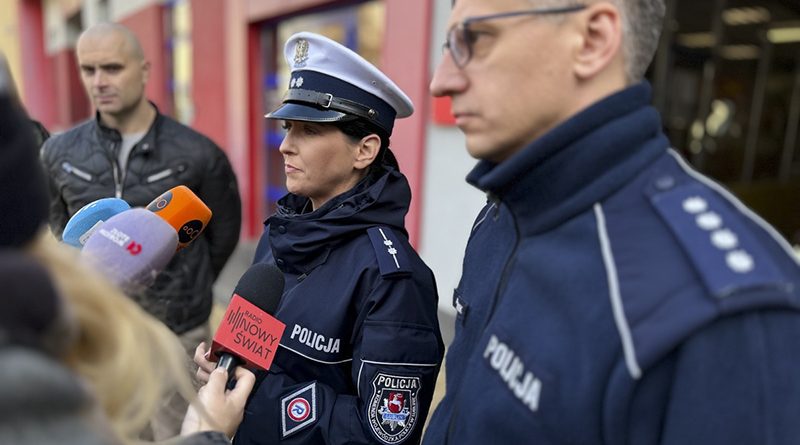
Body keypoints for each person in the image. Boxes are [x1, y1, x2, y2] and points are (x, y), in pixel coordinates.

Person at [423, 0, 800, 444]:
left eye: (475, 39)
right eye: (449, 45)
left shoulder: (722, 311)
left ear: (593, 40)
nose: (440, 81)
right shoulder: (504, 213)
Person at [193, 32, 444, 445]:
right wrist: (224, 366)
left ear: (364, 150)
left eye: (308, 131)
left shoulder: (394, 281)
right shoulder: (280, 234)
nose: (285, 146)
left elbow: (384, 435)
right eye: (288, 127)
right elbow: (248, 347)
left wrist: (252, 390)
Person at [0, 81, 253, 445]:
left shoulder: (198, 151)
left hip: (178, 320)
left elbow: (223, 232)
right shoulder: (27, 377)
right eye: (87, 68)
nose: (100, 80)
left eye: (113, 67)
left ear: (143, 71)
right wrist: (208, 437)